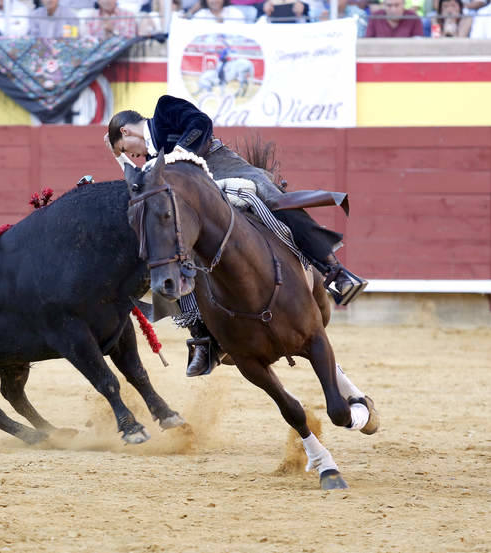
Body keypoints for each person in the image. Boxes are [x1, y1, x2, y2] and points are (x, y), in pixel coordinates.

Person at [105, 95, 367, 377]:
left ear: (126, 131)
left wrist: (179, 153)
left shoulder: (164, 109)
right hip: (196, 201)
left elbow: (200, 123)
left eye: (125, 149)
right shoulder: (153, 164)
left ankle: (335, 271)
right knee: (176, 251)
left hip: (222, 168)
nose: (133, 156)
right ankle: (204, 338)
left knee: (274, 198)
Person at [82, 0, 152, 38]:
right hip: (98, 61)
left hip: (122, 58)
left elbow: (130, 40)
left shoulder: (128, 16)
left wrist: (113, 31)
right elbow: (87, 42)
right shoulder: (90, 17)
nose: (107, 1)